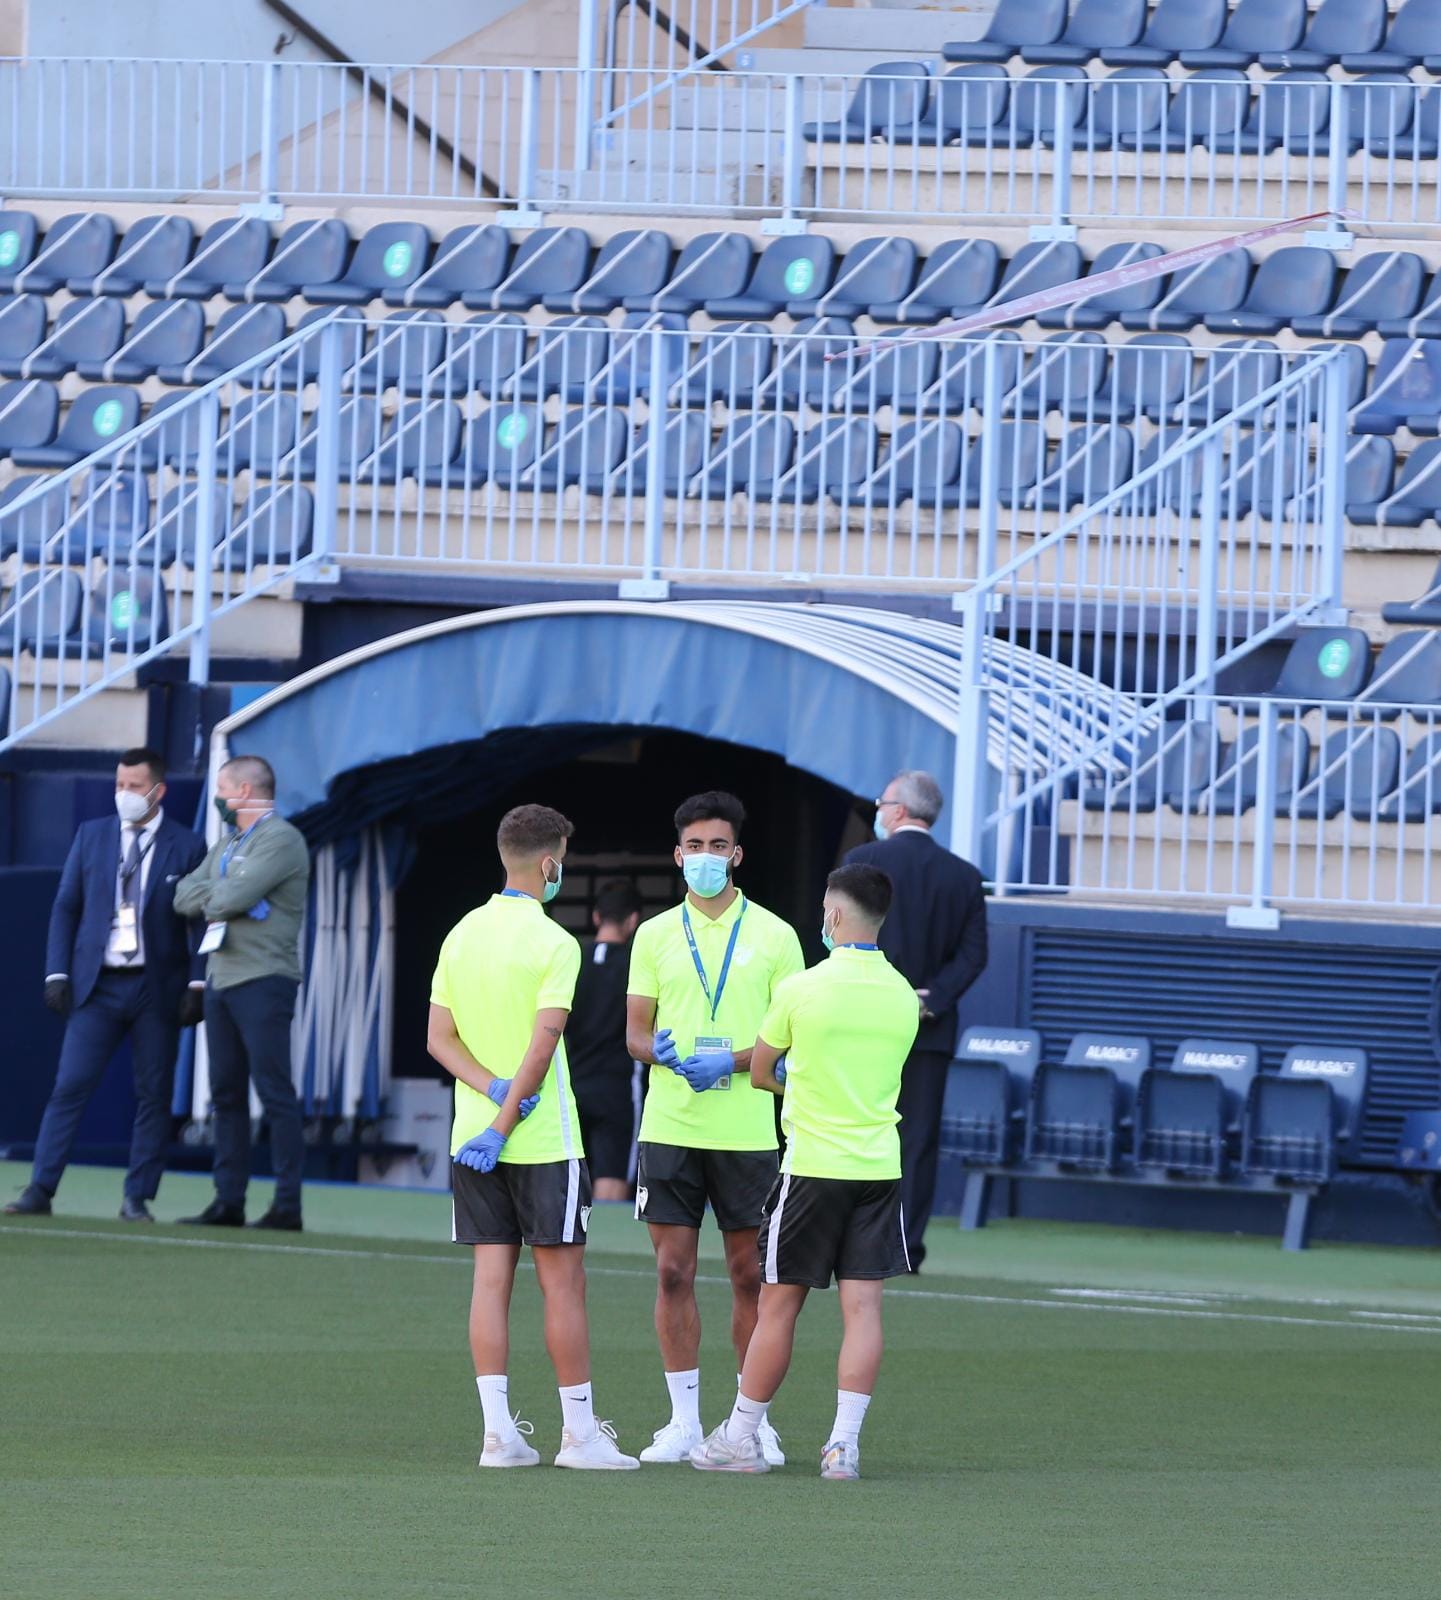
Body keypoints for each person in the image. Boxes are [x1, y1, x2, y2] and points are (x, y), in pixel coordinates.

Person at [690, 863, 919, 1480]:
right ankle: (842, 1446)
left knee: (778, 1304)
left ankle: (739, 1437)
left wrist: (794, 1078)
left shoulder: (803, 987)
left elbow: (762, 1070)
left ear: (835, 915)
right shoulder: (902, 993)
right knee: (864, 1309)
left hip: (814, 1166)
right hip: (878, 1165)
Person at [427, 804, 638, 1471]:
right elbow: (543, 1048)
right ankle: (578, 1435)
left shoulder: (460, 933)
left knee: (490, 1282)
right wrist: (507, 1114)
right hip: (541, 1139)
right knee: (562, 1283)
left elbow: (438, 1040)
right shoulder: (554, 943)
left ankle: (497, 1435)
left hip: (472, 1139)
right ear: (550, 864)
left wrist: (488, 1091)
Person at [624, 791, 804, 1466]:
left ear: (737, 855)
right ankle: (680, 1421)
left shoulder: (776, 936)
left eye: (716, 846)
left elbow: (786, 1040)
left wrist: (726, 1062)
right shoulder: (653, 934)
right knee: (672, 1272)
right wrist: (660, 1053)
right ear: (678, 856)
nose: (705, 858)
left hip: (748, 1130)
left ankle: (748, 1420)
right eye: (693, 847)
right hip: (669, 1125)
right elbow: (634, 1033)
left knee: (747, 1276)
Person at [4, 749, 207, 1221]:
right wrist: (57, 973)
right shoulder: (91, 836)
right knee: (69, 1086)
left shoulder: (186, 844)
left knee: (153, 1093)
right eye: (119, 785)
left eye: (134, 787)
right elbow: (66, 907)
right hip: (96, 986)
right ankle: (40, 1188)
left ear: (159, 791)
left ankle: (137, 1197)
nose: (124, 795)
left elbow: (199, 921)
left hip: (155, 986)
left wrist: (197, 984)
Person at [845, 769, 987, 1270]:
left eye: (881, 803)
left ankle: (851, 1241)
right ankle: (905, 1248)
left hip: (861, 1026)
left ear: (899, 811)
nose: (878, 812)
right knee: (917, 1141)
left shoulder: (862, 861)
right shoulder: (965, 877)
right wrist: (930, 999)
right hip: (928, 1030)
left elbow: (841, 934)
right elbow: (973, 956)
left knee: (855, 1129)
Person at [172, 755, 312, 1232]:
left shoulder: (282, 840)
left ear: (247, 791)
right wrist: (223, 891)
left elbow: (227, 899)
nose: (220, 799)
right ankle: (228, 1200)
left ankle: (287, 1205)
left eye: (224, 789)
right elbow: (182, 895)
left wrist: (220, 894)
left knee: (275, 1092)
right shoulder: (230, 843)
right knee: (225, 1093)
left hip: (264, 978)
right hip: (221, 978)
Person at [567, 879, 644, 1204]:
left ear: (597, 917)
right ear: (633, 920)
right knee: (610, 1182)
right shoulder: (638, 965)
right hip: (618, 1090)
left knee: (567, 1182)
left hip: (571, 1086)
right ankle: (603, 1253)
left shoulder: (571, 959)